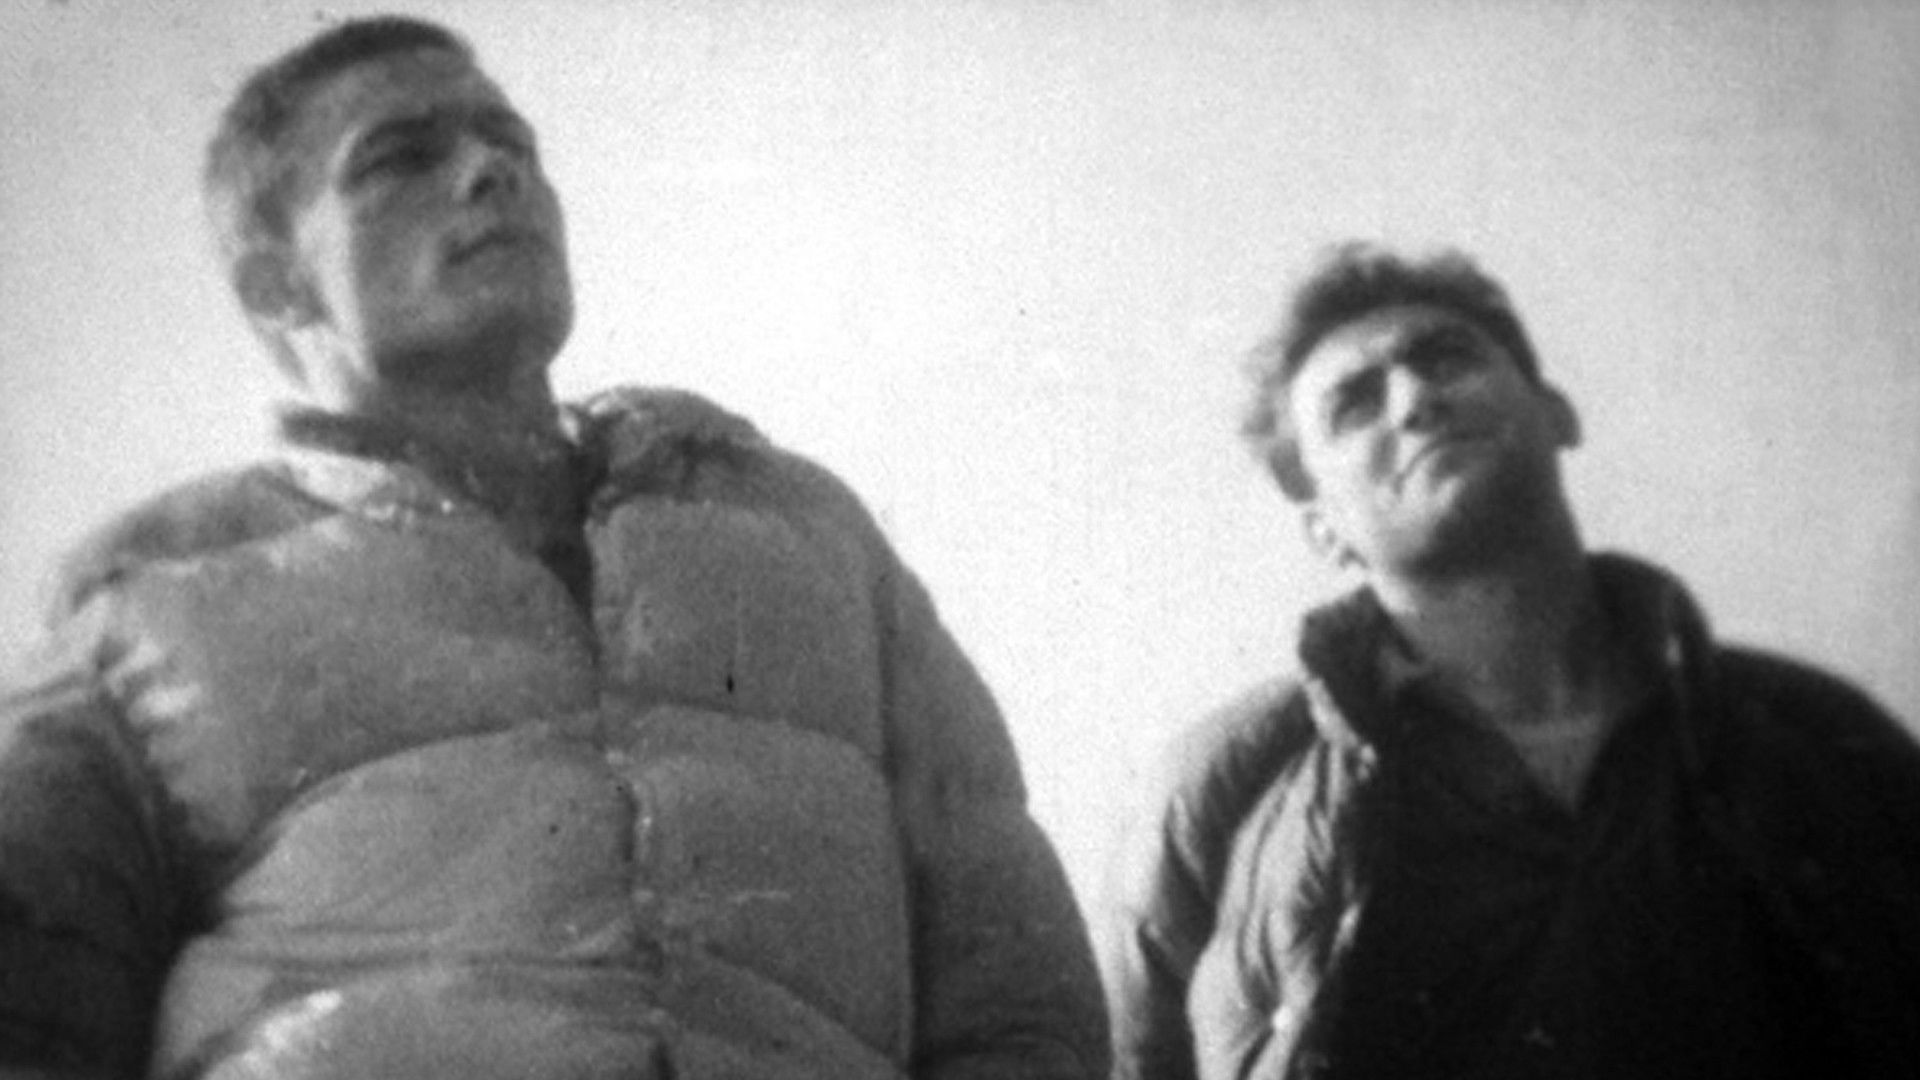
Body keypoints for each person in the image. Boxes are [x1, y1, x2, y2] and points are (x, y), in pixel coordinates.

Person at [0, 17, 1107, 1079]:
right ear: (276, 284)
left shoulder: (806, 537)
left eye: (511, 143)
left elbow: (1016, 991)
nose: (491, 171)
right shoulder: (149, 600)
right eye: (400, 158)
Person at [1102, 241, 1920, 1080]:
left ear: (1557, 411)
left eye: (1445, 358)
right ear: (1321, 525)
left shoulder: (1817, 734)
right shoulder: (1222, 794)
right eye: (1355, 403)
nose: (1414, 400)